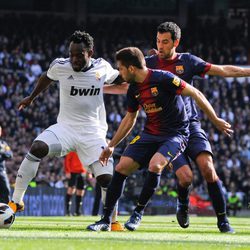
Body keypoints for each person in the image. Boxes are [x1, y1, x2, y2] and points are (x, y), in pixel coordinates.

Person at [87, 46, 232, 231]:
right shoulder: (134, 89)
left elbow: (195, 93)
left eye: (121, 68)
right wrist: (112, 146)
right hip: (150, 133)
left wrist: (215, 119)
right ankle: (105, 220)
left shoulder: (164, 78)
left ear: (131, 68)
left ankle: (137, 213)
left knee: (155, 165)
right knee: (121, 167)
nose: (119, 73)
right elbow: (130, 118)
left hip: (176, 133)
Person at [128, 21, 250, 233]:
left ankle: (223, 220)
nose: (161, 46)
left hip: (191, 125)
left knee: (208, 169)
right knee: (186, 178)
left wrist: (248, 72)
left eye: (165, 42)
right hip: (167, 131)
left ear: (176, 42)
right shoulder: (147, 63)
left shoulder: (188, 61)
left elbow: (222, 71)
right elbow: (125, 80)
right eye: (158, 41)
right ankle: (183, 204)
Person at [8, 30, 124, 231]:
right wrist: (31, 97)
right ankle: (16, 201)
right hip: (65, 128)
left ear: (90, 52)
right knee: (37, 147)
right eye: (72, 54)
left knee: (106, 178)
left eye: (79, 55)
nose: (74, 59)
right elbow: (47, 76)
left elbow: (119, 78)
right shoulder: (61, 66)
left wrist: (143, 69)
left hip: (93, 132)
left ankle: (113, 222)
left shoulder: (102, 67)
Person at [64, 151, 87, 216]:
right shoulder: (73, 149)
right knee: (71, 190)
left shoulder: (84, 148)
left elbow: (88, 160)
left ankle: (78, 211)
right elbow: (67, 160)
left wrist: (89, 171)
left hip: (82, 172)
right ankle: (68, 212)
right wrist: (67, 171)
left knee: (81, 191)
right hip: (73, 171)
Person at [0, 125, 13, 204]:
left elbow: (10, 154)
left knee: (6, 190)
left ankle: (7, 212)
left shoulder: (3, 144)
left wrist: (2, 152)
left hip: (1, 171)